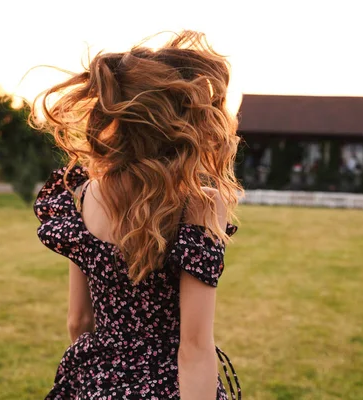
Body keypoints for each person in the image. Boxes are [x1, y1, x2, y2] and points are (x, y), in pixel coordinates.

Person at [31, 30, 242, 400]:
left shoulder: (84, 194)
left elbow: (79, 321)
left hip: (94, 384)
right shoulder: (199, 205)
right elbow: (193, 348)